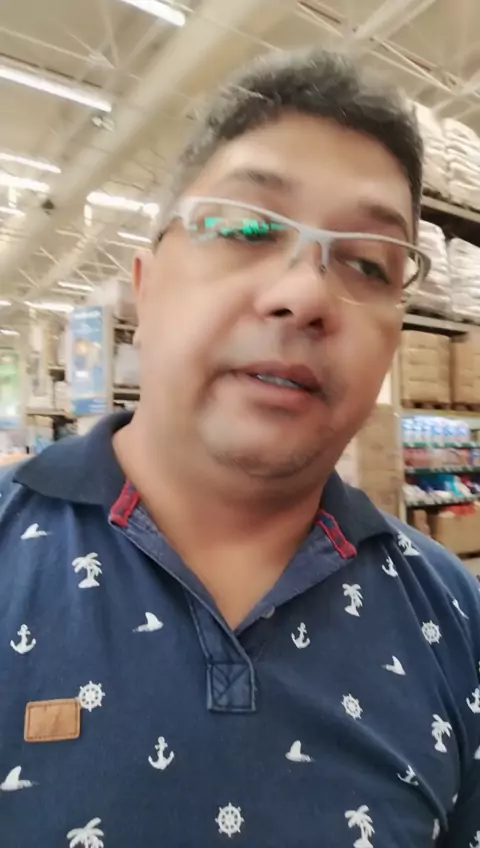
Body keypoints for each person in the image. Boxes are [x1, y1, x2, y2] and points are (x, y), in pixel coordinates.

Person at [0, 48, 479, 847]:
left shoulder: (453, 618)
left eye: (368, 263)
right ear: (146, 289)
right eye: (248, 228)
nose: (304, 294)